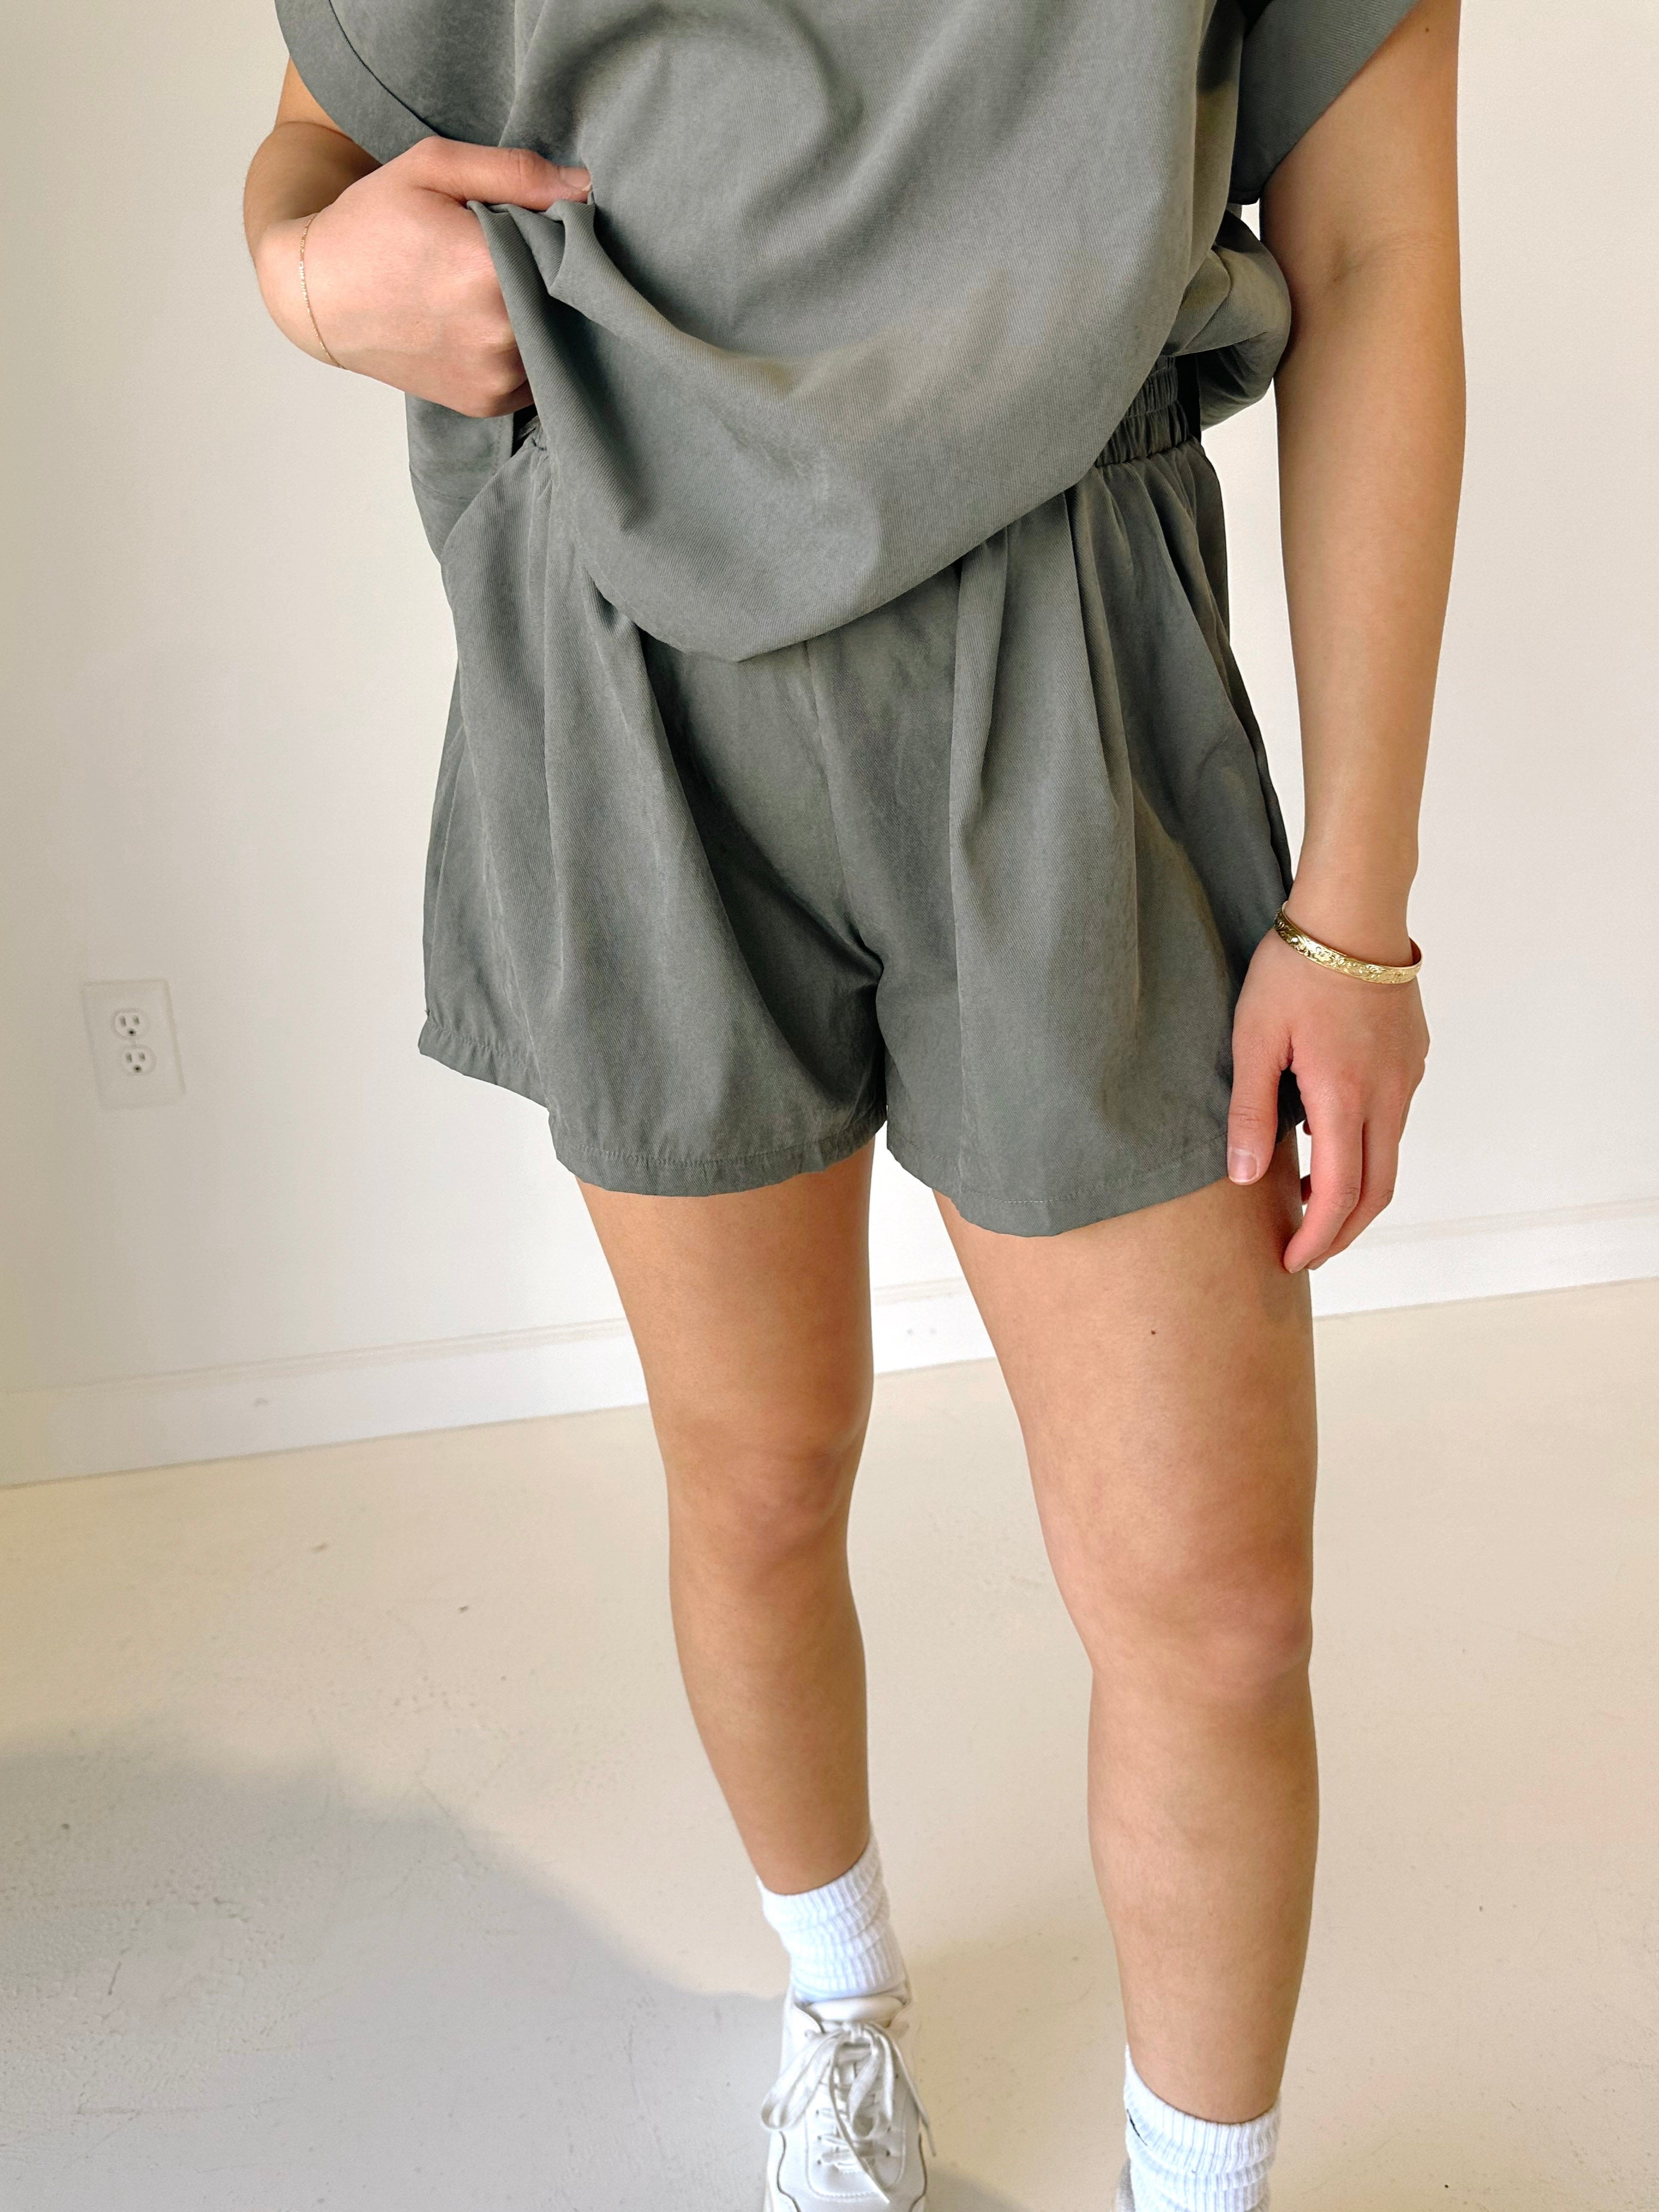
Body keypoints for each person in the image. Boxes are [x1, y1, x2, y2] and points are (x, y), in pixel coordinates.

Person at [243, 1, 1463, 2202]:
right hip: (622, 648)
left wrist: (1357, 910)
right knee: (759, 1472)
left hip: (1078, 651)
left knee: (1212, 1605)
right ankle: (841, 2008)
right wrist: (307, 276)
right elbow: (320, 136)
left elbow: (1372, 246)